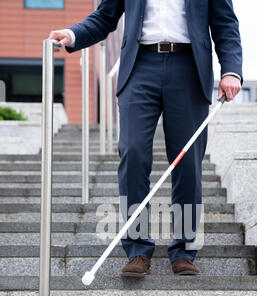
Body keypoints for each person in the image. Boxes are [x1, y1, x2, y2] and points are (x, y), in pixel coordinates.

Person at [49, 0, 242, 277]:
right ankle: (138, 249)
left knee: (188, 163)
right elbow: (105, 17)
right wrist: (74, 34)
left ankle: (184, 250)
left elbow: (226, 24)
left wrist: (231, 70)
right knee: (133, 152)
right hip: (140, 66)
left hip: (189, 68)